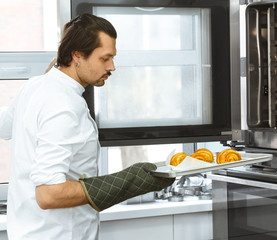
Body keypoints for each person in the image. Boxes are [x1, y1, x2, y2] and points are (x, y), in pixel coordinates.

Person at [0, 14, 174, 240]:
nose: (112, 66)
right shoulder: (63, 105)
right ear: (77, 55)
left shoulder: (37, 87)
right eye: (105, 58)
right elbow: (48, 194)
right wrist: (129, 182)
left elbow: (4, 127)